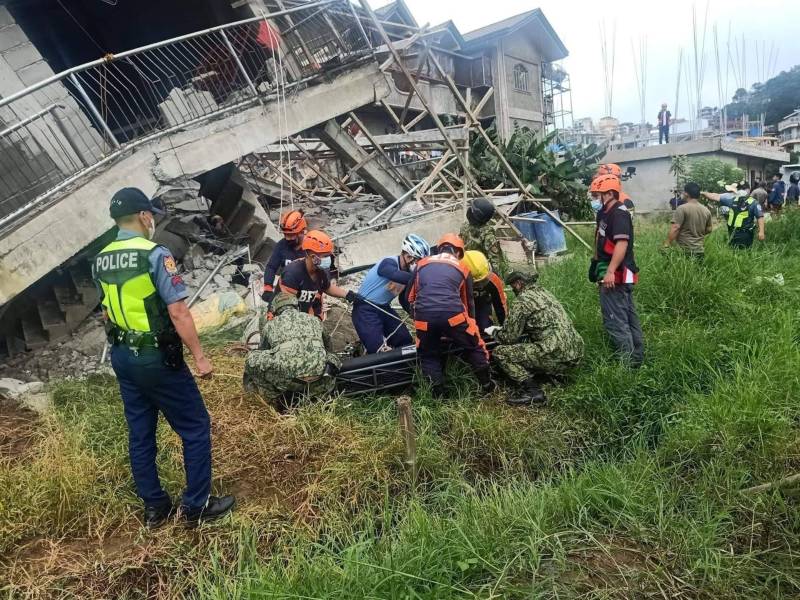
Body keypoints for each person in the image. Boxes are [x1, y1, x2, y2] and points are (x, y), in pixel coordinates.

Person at [92, 188, 234, 528]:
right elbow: (178, 311)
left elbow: (107, 312)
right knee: (195, 427)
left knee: (140, 434)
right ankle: (197, 506)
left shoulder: (101, 259)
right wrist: (200, 357)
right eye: (151, 215)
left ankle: (155, 507)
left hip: (123, 356)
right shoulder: (154, 253)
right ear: (144, 216)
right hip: (155, 357)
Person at [408, 233, 494, 397]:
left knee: (428, 354)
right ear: (458, 252)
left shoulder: (421, 264)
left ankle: (439, 396)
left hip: (423, 318)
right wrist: (469, 328)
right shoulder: (463, 268)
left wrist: (420, 319)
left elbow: (410, 297)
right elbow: (468, 303)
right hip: (453, 316)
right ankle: (487, 386)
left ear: (439, 248)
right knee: (474, 346)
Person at [487, 271, 584, 406]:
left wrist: (494, 332)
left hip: (556, 353)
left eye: (513, 286)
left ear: (518, 283)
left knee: (500, 353)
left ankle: (533, 391)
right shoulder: (545, 293)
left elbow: (508, 338)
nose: (513, 290)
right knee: (533, 342)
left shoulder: (522, 301)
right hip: (576, 350)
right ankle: (550, 373)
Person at [244, 293, 341, 404]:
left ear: (275, 310)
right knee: (332, 357)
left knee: (252, 357)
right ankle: (324, 392)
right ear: (297, 306)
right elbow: (329, 348)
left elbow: (263, 351)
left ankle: (271, 395)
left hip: (288, 383)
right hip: (319, 379)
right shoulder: (315, 320)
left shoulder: (270, 325)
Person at [589, 175, 644, 367]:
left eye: (597, 195)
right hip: (607, 269)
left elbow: (622, 244)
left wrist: (610, 271)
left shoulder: (619, 214)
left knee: (616, 320)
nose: (594, 199)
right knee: (627, 316)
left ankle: (627, 365)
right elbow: (600, 240)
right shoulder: (604, 212)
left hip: (618, 273)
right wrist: (596, 266)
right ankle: (636, 359)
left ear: (610, 194)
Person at [352, 234, 430, 354]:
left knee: (405, 340)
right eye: (417, 260)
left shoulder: (407, 274)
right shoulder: (389, 262)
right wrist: (420, 279)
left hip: (384, 308)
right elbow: (392, 273)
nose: (418, 265)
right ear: (408, 256)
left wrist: (416, 316)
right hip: (365, 308)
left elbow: (404, 300)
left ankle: (409, 363)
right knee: (377, 349)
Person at [277, 229, 358, 318]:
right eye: (325, 256)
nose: (329, 259)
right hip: (288, 318)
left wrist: (347, 295)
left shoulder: (321, 270)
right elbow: (286, 309)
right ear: (313, 257)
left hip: (309, 315)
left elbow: (326, 287)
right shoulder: (292, 274)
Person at [262, 210, 307, 304]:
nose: (287, 238)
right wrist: (268, 288)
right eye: (285, 234)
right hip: (284, 291)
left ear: (301, 232)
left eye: (291, 235)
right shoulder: (282, 245)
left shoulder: (310, 248)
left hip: (305, 293)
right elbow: (271, 267)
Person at [701, 182, 765, 249]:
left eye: (743, 189)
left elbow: (760, 217)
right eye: (740, 189)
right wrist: (701, 193)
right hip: (732, 232)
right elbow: (715, 196)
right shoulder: (732, 200)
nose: (742, 191)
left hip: (745, 233)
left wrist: (761, 232)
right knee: (733, 249)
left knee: (744, 250)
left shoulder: (753, 202)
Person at [459, 197, 508, 278]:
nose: (469, 210)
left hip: (479, 272)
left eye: (472, 210)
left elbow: (496, 263)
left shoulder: (488, 236)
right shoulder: (465, 227)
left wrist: (497, 280)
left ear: (478, 215)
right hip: (465, 267)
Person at [662, 182, 713, 257]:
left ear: (686, 194)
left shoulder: (682, 208)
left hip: (684, 250)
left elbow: (675, 227)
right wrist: (697, 234)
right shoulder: (706, 210)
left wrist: (667, 244)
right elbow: (709, 229)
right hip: (700, 251)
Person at [462, 250, 507, 331]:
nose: (481, 286)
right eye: (476, 283)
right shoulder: (456, 282)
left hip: (482, 303)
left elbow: (501, 305)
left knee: (485, 328)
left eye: (483, 281)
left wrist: (506, 328)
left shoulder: (493, 279)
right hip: (462, 306)